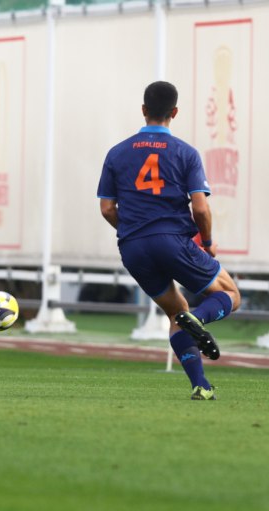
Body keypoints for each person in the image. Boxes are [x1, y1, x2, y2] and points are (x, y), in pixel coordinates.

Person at [97, 81, 240, 400]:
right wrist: (208, 241)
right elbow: (200, 207)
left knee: (175, 312)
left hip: (133, 248)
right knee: (230, 293)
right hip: (173, 241)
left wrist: (132, 229)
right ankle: (198, 318)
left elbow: (107, 208)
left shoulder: (117, 153)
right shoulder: (185, 153)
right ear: (174, 112)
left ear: (143, 110)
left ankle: (201, 386)